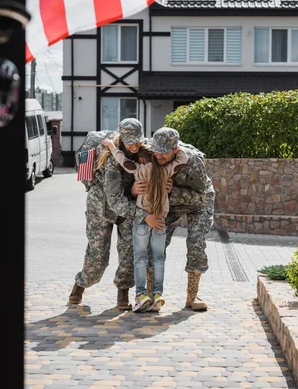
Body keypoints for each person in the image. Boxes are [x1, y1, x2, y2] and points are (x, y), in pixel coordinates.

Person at [101, 129, 188, 312]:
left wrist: (110, 145)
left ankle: (141, 295)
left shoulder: (138, 170)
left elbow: (121, 159)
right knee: (158, 259)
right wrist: (177, 149)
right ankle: (157, 294)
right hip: (160, 221)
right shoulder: (166, 171)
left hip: (142, 221)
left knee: (139, 259)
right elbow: (183, 159)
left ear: (140, 160)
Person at [132, 128, 215, 311]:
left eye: (164, 151)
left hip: (197, 203)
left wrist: (173, 190)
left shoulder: (193, 161)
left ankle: (193, 297)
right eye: (157, 150)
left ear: (175, 149)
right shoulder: (151, 156)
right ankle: (153, 296)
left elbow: (201, 194)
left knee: (196, 244)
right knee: (155, 246)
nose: (159, 155)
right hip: (167, 205)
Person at [68, 118, 146, 310]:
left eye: (138, 140)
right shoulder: (110, 159)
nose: (134, 145)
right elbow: (113, 200)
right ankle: (81, 284)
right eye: (130, 141)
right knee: (98, 258)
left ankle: (123, 293)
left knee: (129, 254)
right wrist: (142, 214)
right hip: (101, 208)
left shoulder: (144, 152)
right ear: (122, 139)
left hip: (128, 206)